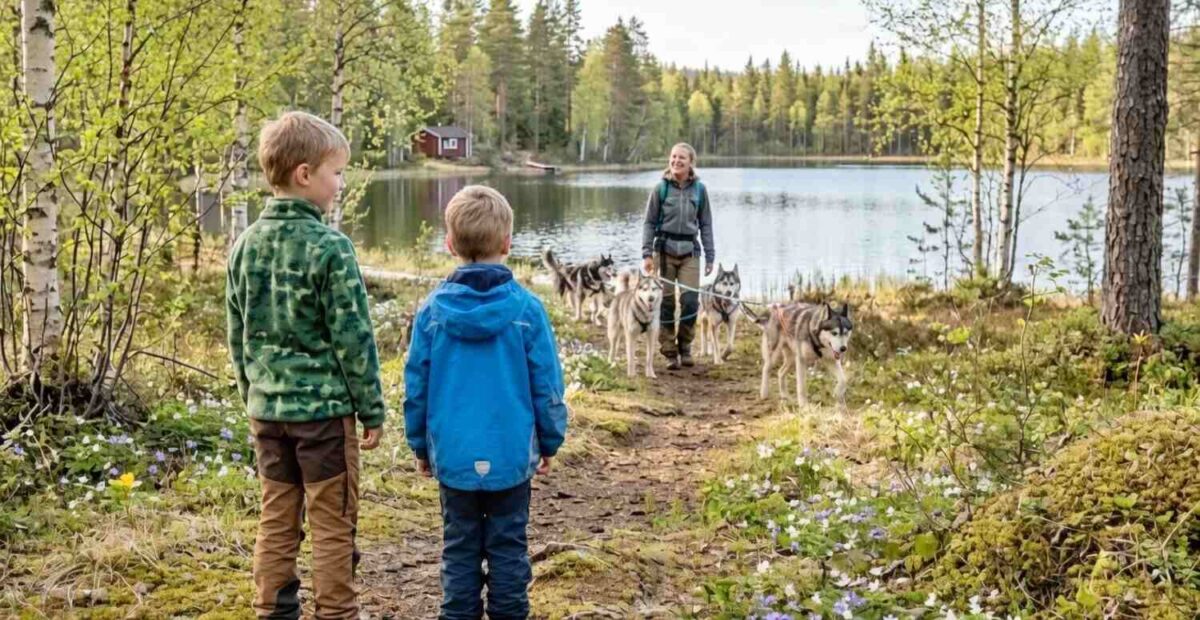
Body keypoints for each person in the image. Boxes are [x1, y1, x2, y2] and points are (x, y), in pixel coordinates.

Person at [226, 111, 386, 620]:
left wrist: (251, 393)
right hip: (323, 417)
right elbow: (354, 340)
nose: (340, 184)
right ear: (304, 174)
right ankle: (337, 612)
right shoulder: (331, 249)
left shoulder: (244, 246)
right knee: (333, 520)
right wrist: (372, 409)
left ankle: (272, 610)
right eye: (336, 173)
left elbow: (238, 334)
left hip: (266, 413)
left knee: (277, 517)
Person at [404, 185, 569, 620]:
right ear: (507, 243)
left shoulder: (432, 312)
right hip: (510, 454)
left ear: (450, 243)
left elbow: (416, 387)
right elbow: (548, 386)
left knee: (458, 548)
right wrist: (550, 442)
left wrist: (420, 445)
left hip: (455, 455)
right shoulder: (527, 311)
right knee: (509, 548)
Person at [641, 142, 716, 369]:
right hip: (663, 251)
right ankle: (669, 350)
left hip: (690, 252)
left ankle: (685, 345)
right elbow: (649, 223)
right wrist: (647, 254)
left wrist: (710, 256)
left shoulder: (700, 191)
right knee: (665, 301)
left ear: (691, 162)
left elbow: (706, 224)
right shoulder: (660, 189)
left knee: (690, 301)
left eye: (681, 158)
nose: (676, 161)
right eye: (673, 157)